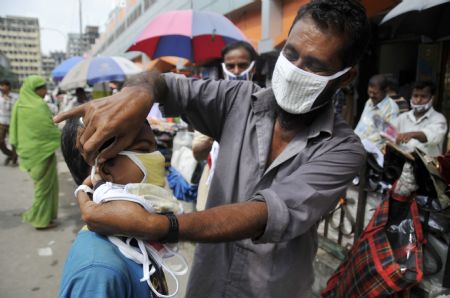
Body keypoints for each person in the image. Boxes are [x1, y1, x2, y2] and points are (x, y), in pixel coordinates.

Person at [54, 1, 370, 297]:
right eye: (291, 53)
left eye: (314, 65)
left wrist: (162, 227)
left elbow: (269, 212)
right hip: (209, 283)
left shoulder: (343, 149)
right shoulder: (238, 100)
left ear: (347, 76)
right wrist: (142, 90)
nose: (296, 69)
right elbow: (165, 84)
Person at [59, 119, 174, 298]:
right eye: (144, 150)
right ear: (104, 171)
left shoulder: (135, 237)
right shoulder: (99, 272)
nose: (158, 158)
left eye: (154, 148)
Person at [193, 41, 258, 211]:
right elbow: (198, 153)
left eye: (242, 65)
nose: (236, 71)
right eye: (231, 66)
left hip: (249, 191)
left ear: (253, 68)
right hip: (213, 187)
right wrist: (215, 129)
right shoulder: (210, 103)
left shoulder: (266, 102)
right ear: (224, 68)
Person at [9, 75, 60, 229]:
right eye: (43, 88)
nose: (45, 91)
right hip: (43, 152)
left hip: (27, 153)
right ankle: (41, 220)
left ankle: (46, 217)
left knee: (40, 186)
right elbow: (48, 130)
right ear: (35, 90)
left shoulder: (19, 105)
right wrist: (60, 135)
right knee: (44, 188)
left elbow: (14, 129)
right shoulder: (39, 105)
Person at [394, 81, 448, 157]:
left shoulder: (439, 119)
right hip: (402, 164)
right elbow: (390, 136)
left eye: (423, 96)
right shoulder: (402, 117)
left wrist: (412, 134)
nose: (418, 100)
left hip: (427, 167)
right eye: (415, 96)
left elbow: (431, 136)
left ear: (432, 98)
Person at [355, 74, 399, 150]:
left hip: (371, 150)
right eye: (370, 92)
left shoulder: (392, 109)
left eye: (375, 93)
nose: (371, 95)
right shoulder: (370, 101)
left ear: (386, 91)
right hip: (356, 144)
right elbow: (362, 124)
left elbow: (388, 136)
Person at [0, 80, 18, 165]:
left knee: (13, 141)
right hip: (1, 122)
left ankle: (14, 159)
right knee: (1, 142)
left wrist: (7, 99)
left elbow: (15, 108)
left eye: (4, 86)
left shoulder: (14, 97)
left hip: (12, 123)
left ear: (8, 87)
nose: (2, 88)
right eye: (1, 86)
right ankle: (10, 154)